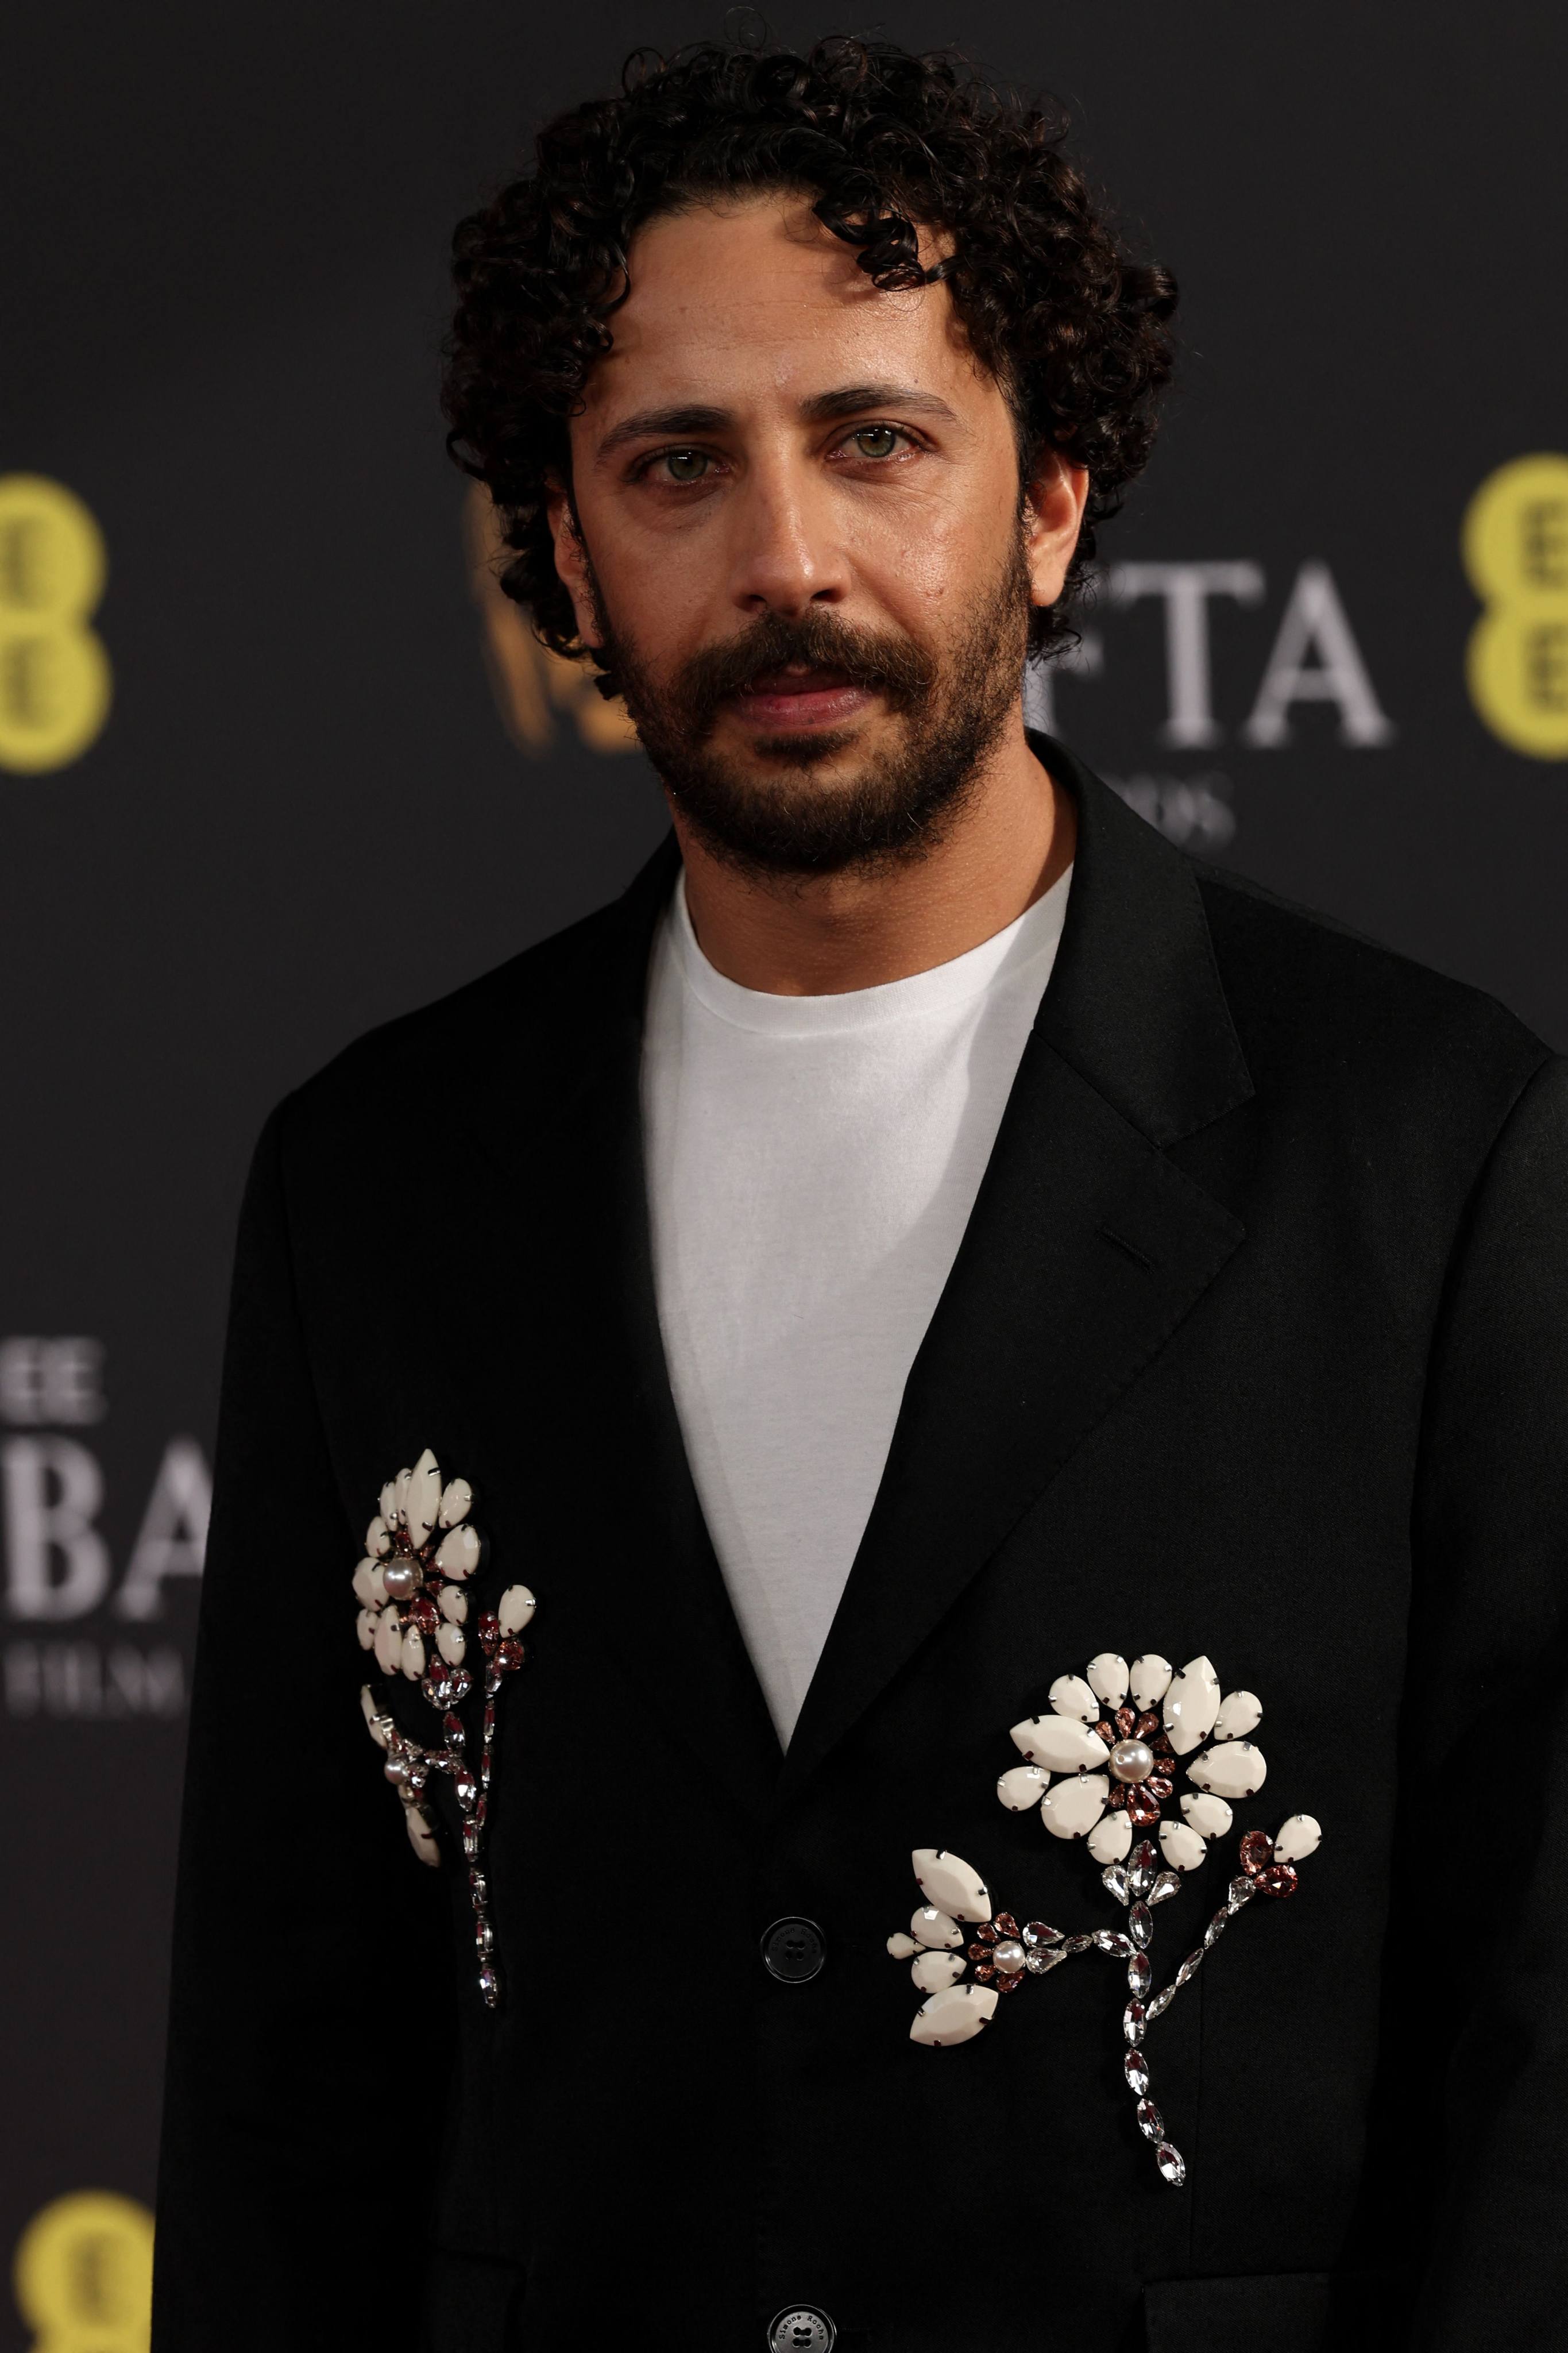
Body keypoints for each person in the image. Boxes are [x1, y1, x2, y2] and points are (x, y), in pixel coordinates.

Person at [152, 36, 1567, 2353]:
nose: (784, 558)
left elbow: (1539, 2062)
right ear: (570, 554)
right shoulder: (375, 1178)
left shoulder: (1426, 1148)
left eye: (876, 440)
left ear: (1049, 502)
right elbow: (281, 2079)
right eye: (676, 465)